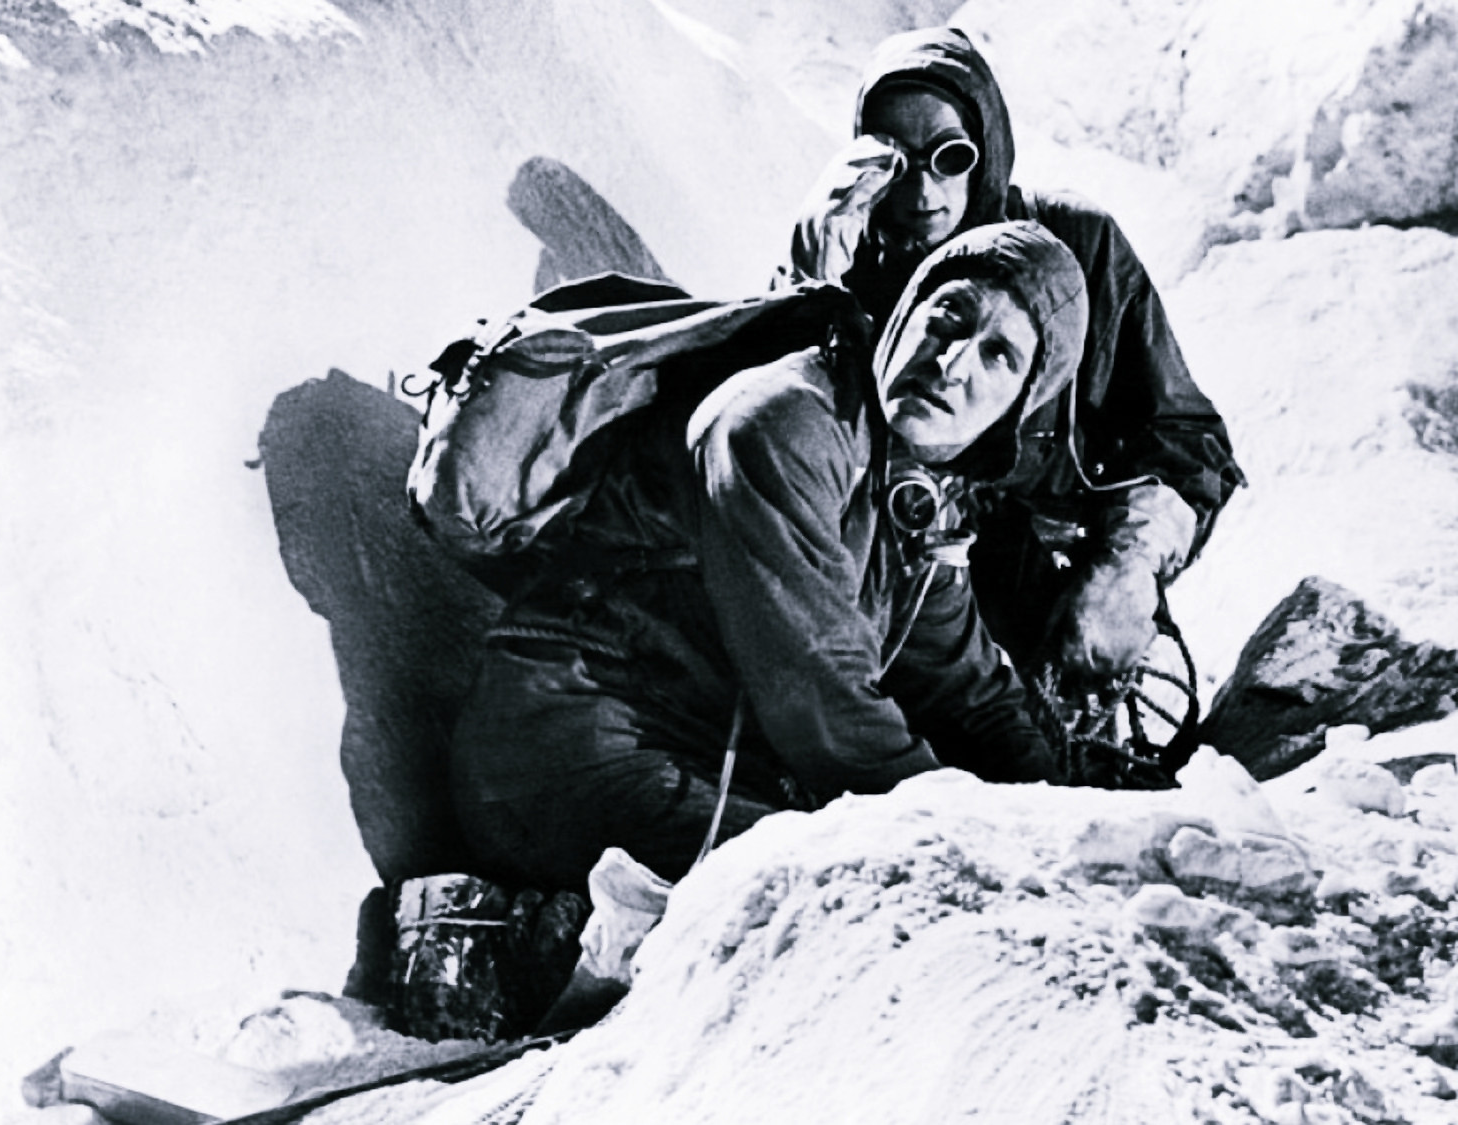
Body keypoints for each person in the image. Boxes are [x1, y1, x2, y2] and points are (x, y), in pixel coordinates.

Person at [442, 220, 1087, 894]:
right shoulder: (783, 419)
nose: (952, 364)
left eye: (999, 356)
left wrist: (1069, 822)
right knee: (877, 891)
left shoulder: (914, 490)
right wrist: (971, 843)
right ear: (907, 312)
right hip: (568, 755)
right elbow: (819, 691)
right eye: (948, 317)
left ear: (1021, 403)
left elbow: (970, 695)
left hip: (689, 762)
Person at [784, 27, 1245, 698]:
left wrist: (1132, 562)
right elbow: (771, 440)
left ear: (988, 150)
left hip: (1047, 592)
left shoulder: (1080, 247)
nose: (922, 191)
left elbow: (1185, 437)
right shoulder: (846, 261)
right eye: (896, 161)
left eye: (950, 156)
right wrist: (804, 289)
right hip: (901, 592)